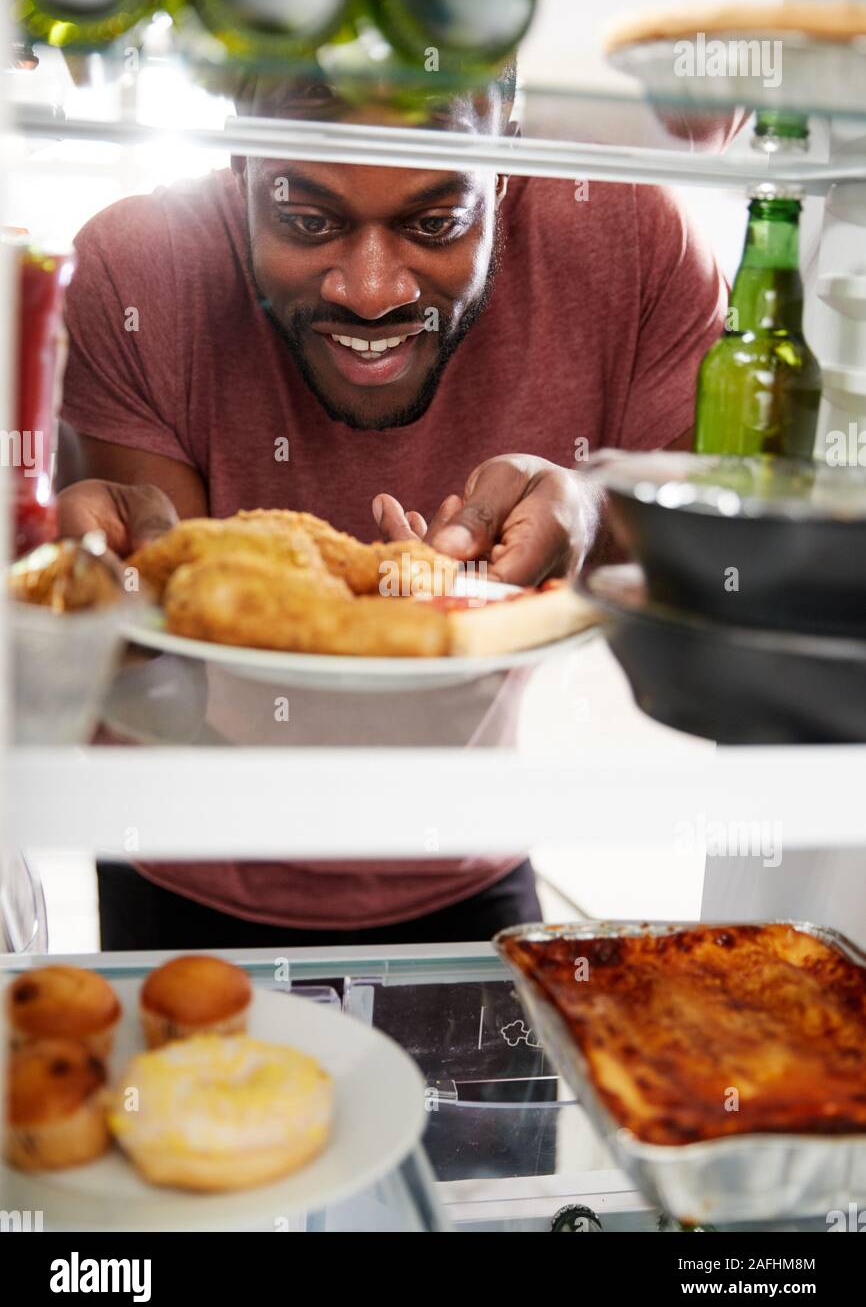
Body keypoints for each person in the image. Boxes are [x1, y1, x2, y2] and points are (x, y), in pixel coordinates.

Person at [57, 66, 730, 949]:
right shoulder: (139, 263)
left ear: (508, 163)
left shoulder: (632, 243)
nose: (371, 293)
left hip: (464, 847)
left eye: (436, 222)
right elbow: (178, 682)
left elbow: (710, 582)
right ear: (238, 160)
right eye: (306, 219)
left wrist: (596, 513)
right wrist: (81, 591)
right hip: (184, 845)